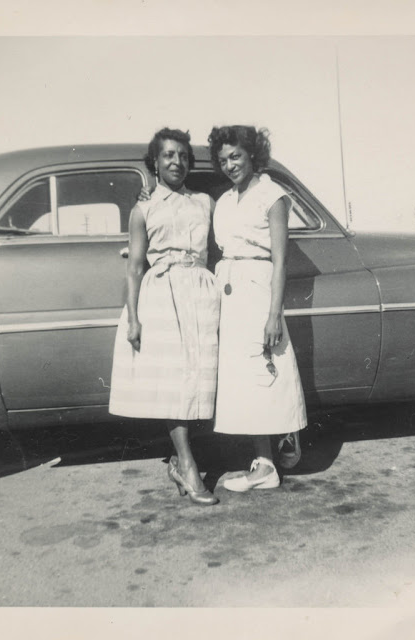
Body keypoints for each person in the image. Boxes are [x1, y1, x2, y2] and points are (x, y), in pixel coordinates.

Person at [109, 127, 220, 506]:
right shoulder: (143, 209)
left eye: (183, 156)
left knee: (197, 381)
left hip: (201, 294)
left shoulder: (205, 202)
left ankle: (180, 459)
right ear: (155, 162)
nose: (177, 162)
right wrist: (134, 318)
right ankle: (187, 464)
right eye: (169, 155)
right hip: (162, 296)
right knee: (173, 380)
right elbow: (135, 267)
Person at [208, 125, 307, 492]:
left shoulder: (272, 195)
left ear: (252, 154)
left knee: (266, 368)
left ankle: (268, 463)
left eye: (236, 156)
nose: (230, 165)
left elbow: (280, 261)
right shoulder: (224, 200)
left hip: (258, 289)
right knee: (246, 379)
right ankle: (269, 454)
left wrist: (273, 314)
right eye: (223, 160)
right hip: (230, 292)